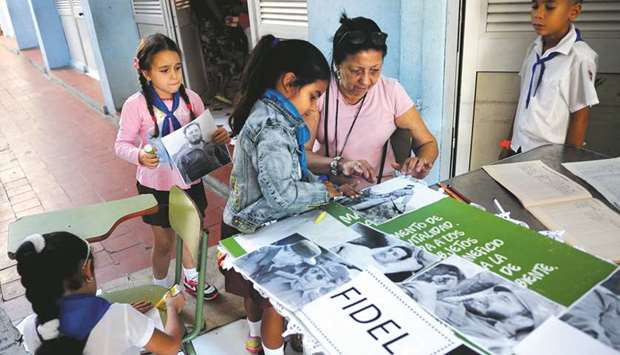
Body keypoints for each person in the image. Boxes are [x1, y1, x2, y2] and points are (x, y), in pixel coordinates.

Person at [221, 34, 340, 355]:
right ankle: (271, 349)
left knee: (257, 297)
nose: (314, 107)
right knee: (275, 302)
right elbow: (283, 197)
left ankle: (254, 338)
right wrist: (324, 191)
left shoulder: (267, 110)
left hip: (244, 222)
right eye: (314, 96)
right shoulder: (273, 127)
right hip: (256, 229)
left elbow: (287, 173)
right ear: (289, 83)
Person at [115, 33, 230, 300]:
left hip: (189, 181)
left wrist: (220, 136)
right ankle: (161, 286)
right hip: (155, 186)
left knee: (192, 232)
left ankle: (191, 278)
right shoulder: (136, 106)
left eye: (177, 67)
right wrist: (139, 155)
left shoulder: (191, 99)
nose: (174, 76)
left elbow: (207, 134)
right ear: (146, 73)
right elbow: (121, 144)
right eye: (164, 70)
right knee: (164, 242)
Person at [305, 14, 438, 185]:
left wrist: (421, 162)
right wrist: (339, 164)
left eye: (374, 70)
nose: (366, 81)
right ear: (338, 64)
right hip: (333, 191)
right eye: (356, 71)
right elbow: (303, 155)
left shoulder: (391, 92)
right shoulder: (321, 92)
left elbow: (427, 142)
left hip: (381, 190)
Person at [16, 232, 186, 355]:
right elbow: (170, 347)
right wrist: (172, 307)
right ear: (88, 270)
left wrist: (117, 317)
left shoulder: (30, 327)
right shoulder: (121, 317)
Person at [502, 0, 598, 156]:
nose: (538, 14)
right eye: (534, 6)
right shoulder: (534, 49)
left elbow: (580, 117)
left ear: (573, 12)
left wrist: (566, 164)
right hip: (517, 148)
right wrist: (507, 144)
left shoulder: (580, 57)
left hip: (547, 158)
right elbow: (523, 102)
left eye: (550, 7)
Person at [408, 268, 558, 354]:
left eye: (504, 300)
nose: (488, 297)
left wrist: (426, 299)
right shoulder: (472, 313)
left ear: (522, 320)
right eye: (494, 294)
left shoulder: (492, 342)